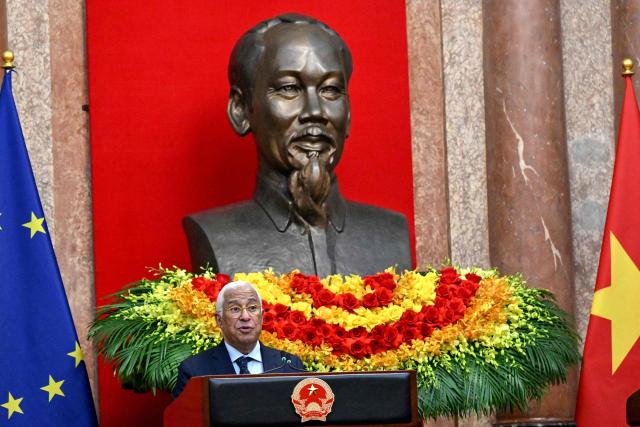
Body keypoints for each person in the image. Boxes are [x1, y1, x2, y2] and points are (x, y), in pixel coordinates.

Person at [183, 13, 412, 278]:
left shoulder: (390, 233)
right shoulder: (215, 235)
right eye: (289, 88)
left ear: (348, 115)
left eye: (331, 90)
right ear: (241, 110)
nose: (315, 111)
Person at [172, 281, 303, 398]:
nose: (245, 317)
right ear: (219, 320)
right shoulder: (194, 370)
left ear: (262, 317)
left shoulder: (290, 365)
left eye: (252, 308)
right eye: (235, 309)